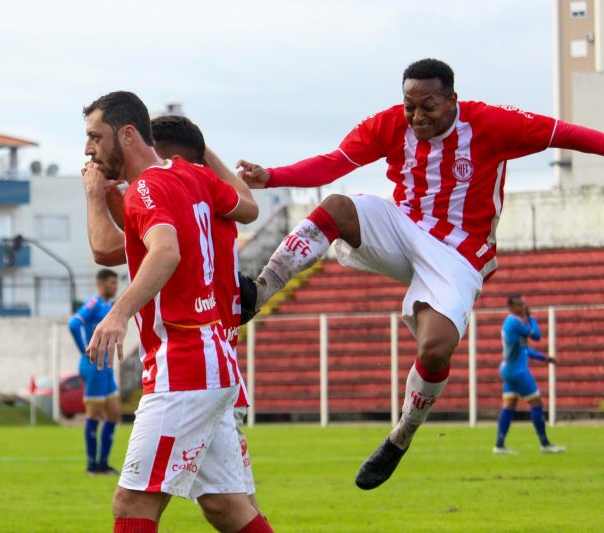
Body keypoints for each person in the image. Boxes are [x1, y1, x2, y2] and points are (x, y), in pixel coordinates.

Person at [236, 58, 604, 490]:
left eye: (428, 105)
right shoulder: (391, 124)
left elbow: (567, 134)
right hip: (402, 227)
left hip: (459, 253)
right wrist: (274, 175)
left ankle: (400, 436)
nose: (417, 116)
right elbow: (335, 162)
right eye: (409, 105)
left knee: (435, 349)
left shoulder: (493, 124)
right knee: (337, 205)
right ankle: (258, 293)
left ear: (452, 99)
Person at [81, 91, 272, 533]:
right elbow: (247, 207)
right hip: (215, 360)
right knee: (226, 506)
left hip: (185, 363)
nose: (88, 148)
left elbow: (162, 251)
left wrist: (119, 312)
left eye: (95, 137)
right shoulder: (189, 176)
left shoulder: (147, 187)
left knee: (131, 504)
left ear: (127, 134)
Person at [495, 294, 565, 455]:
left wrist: (543, 358)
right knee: (537, 404)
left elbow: (523, 349)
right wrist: (531, 317)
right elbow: (537, 336)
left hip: (508, 369)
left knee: (509, 405)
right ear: (511, 307)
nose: (522, 308)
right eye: (519, 305)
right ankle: (545, 444)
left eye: (523, 305)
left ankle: (499, 445)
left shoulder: (513, 323)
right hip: (517, 371)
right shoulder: (514, 322)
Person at [68, 268, 122, 475]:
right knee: (95, 414)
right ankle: (92, 465)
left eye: (116, 283)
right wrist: (85, 349)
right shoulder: (94, 302)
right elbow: (74, 324)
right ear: (100, 283)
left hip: (106, 367)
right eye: (111, 283)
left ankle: (103, 463)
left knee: (113, 413)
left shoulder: (108, 306)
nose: (114, 286)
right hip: (94, 365)